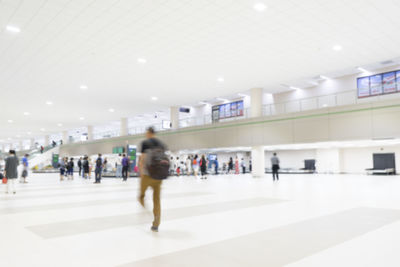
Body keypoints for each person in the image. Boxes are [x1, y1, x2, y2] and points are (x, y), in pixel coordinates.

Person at [138, 127, 167, 232]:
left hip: (147, 175)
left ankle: (146, 211)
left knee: (141, 196)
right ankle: (156, 224)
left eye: (146, 133)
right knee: (157, 200)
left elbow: (142, 158)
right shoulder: (162, 144)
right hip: (158, 176)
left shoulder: (145, 142)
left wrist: (141, 173)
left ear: (149, 133)